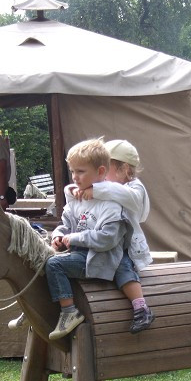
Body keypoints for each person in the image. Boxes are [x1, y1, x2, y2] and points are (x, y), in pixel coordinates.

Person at [45, 138, 127, 341]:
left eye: (80, 171)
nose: (74, 177)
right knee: (41, 260)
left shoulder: (111, 204)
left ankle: (69, 312)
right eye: (72, 171)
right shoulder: (77, 198)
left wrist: (75, 238)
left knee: (54, 265)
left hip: (100, 259)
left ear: (100, 171)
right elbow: (65, 224)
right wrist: (58, 235)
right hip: (80, 255)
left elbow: (107, 240)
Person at [70, 139, 155, 333]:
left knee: (123, 267)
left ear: (124, 168)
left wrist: (96, 190)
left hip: (125, 247)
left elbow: (127, 196)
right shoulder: (107, 187)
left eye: (106, 169)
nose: (102, 176)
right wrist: (79, 191)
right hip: (104, 243)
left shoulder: (135, 188)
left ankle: (141, 308)